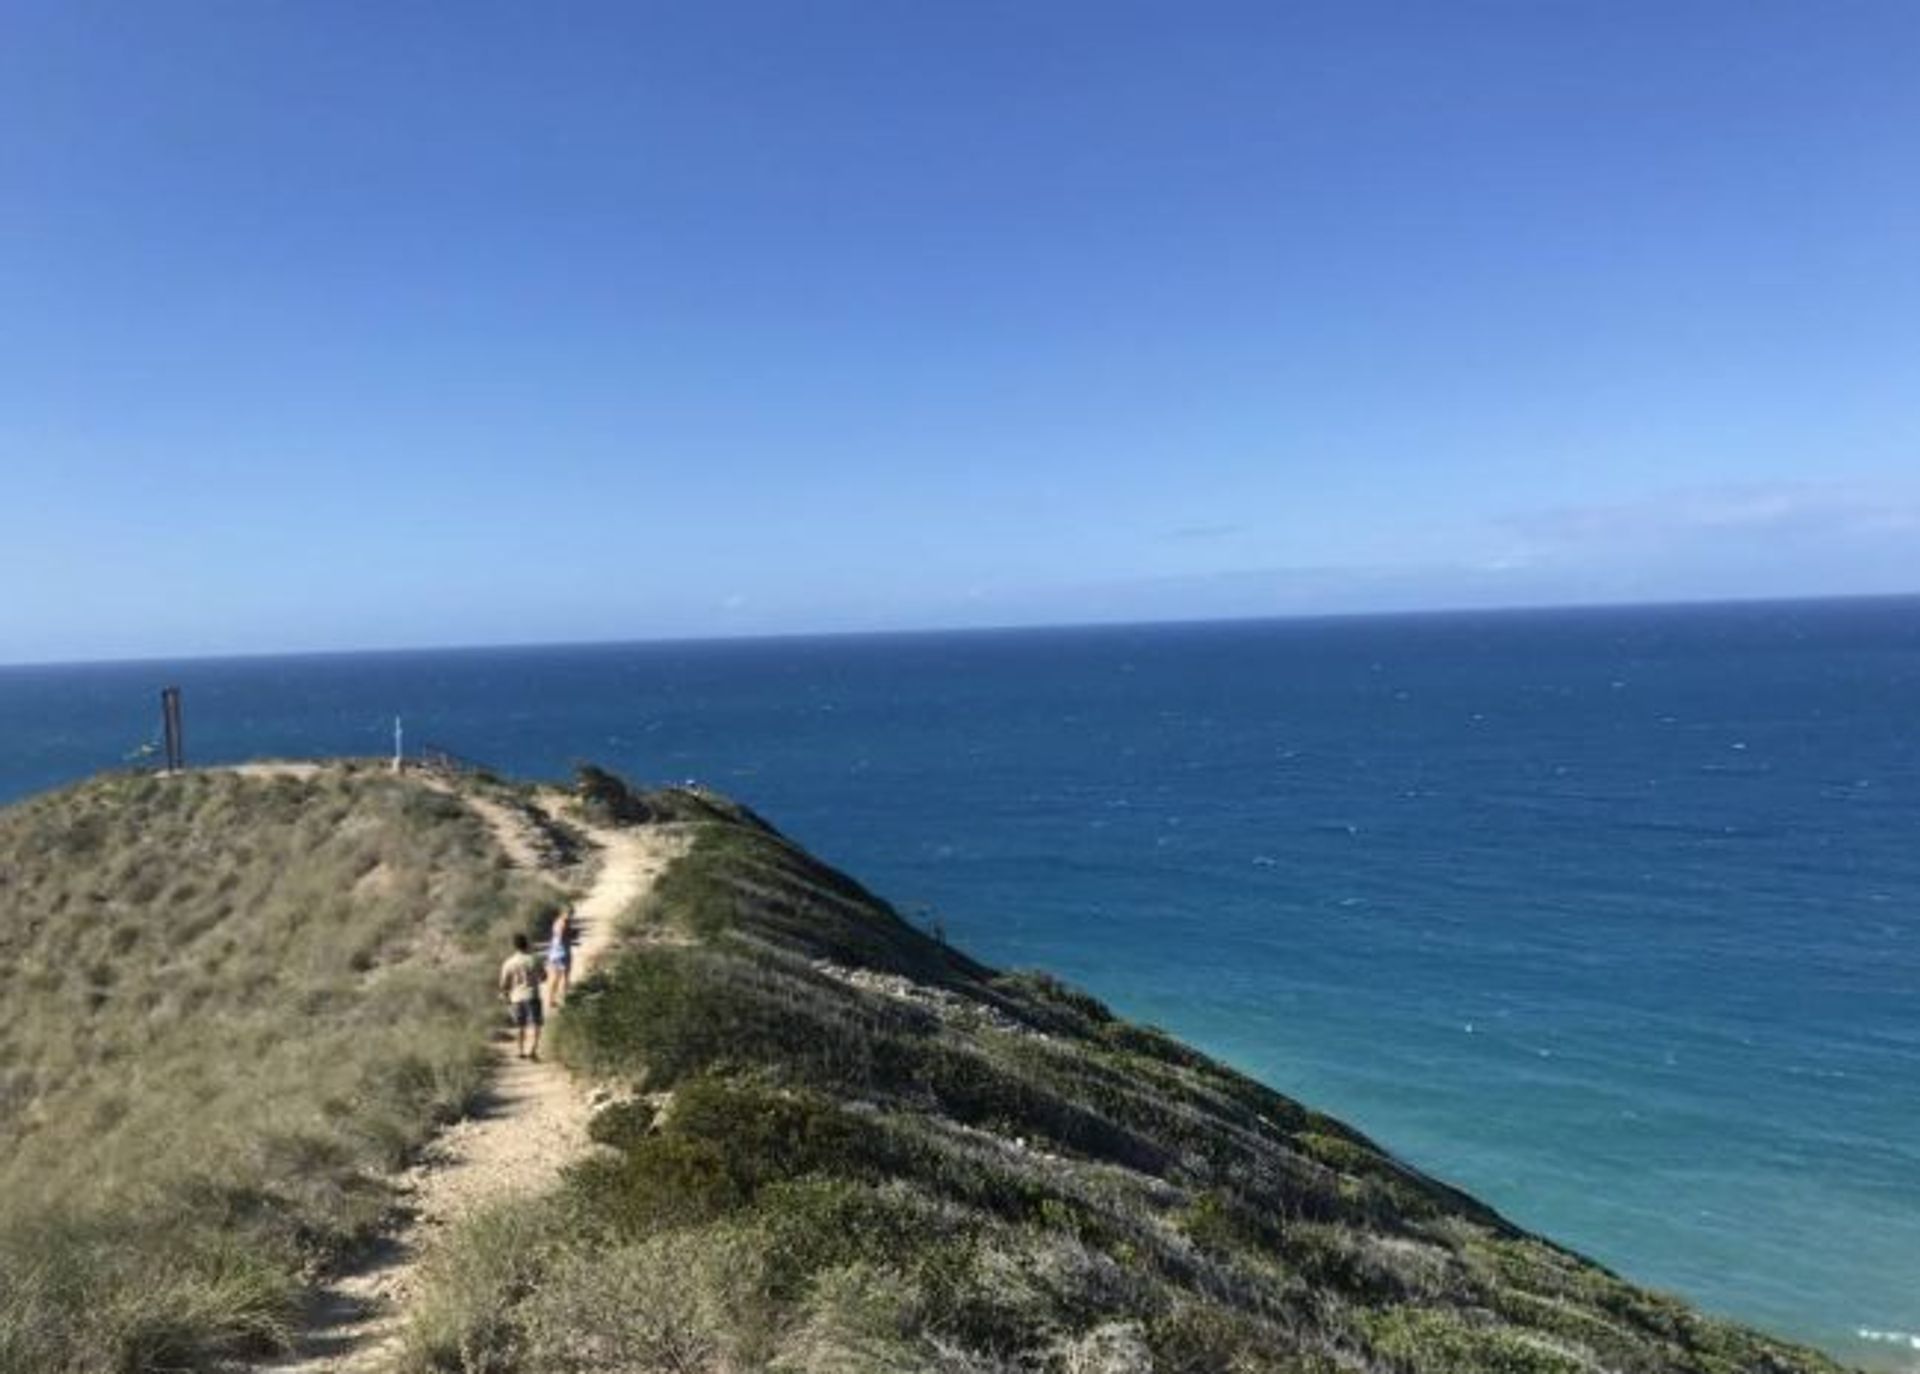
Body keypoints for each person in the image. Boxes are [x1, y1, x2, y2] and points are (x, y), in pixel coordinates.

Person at [498, 933, 544, 1060]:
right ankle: (532, 1050)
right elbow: (543, 977)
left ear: (514, 946)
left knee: (520, 1025)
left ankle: (520, 1051)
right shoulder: (534, 959)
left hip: (516, 997)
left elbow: (503, 983)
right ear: (526, 944)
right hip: (532, 994)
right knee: (536, 1024)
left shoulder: (509, 962)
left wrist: (505, 994)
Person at [546, 904, 575, 1008]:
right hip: (562, 953)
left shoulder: (558, 922)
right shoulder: (563, 923)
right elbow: (561, 936)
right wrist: (569, 934)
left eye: (571, 913)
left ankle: (551, 1000)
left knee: (555, 978)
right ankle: (563, 1000)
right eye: (569, 913)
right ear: (562, 913)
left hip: (555, 953)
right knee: (564, 978)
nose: (570, 915)